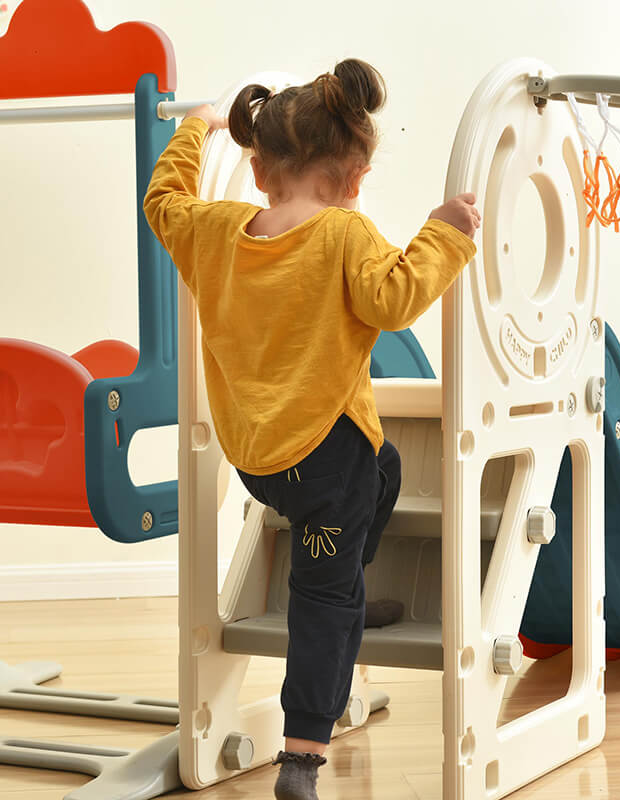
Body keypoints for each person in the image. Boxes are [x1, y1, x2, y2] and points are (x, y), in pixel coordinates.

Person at [144, 58, 479, 800]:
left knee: (386, 468)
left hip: (259, 461)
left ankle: (347, 570)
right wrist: (444, 234)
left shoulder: (214, 231)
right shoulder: (343, 234)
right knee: (322, 601)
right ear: (356, 176)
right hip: (328, 463)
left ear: (259, 170)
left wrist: (196, 130)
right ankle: (302, 758)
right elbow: (395, 301)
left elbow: (162, 199)